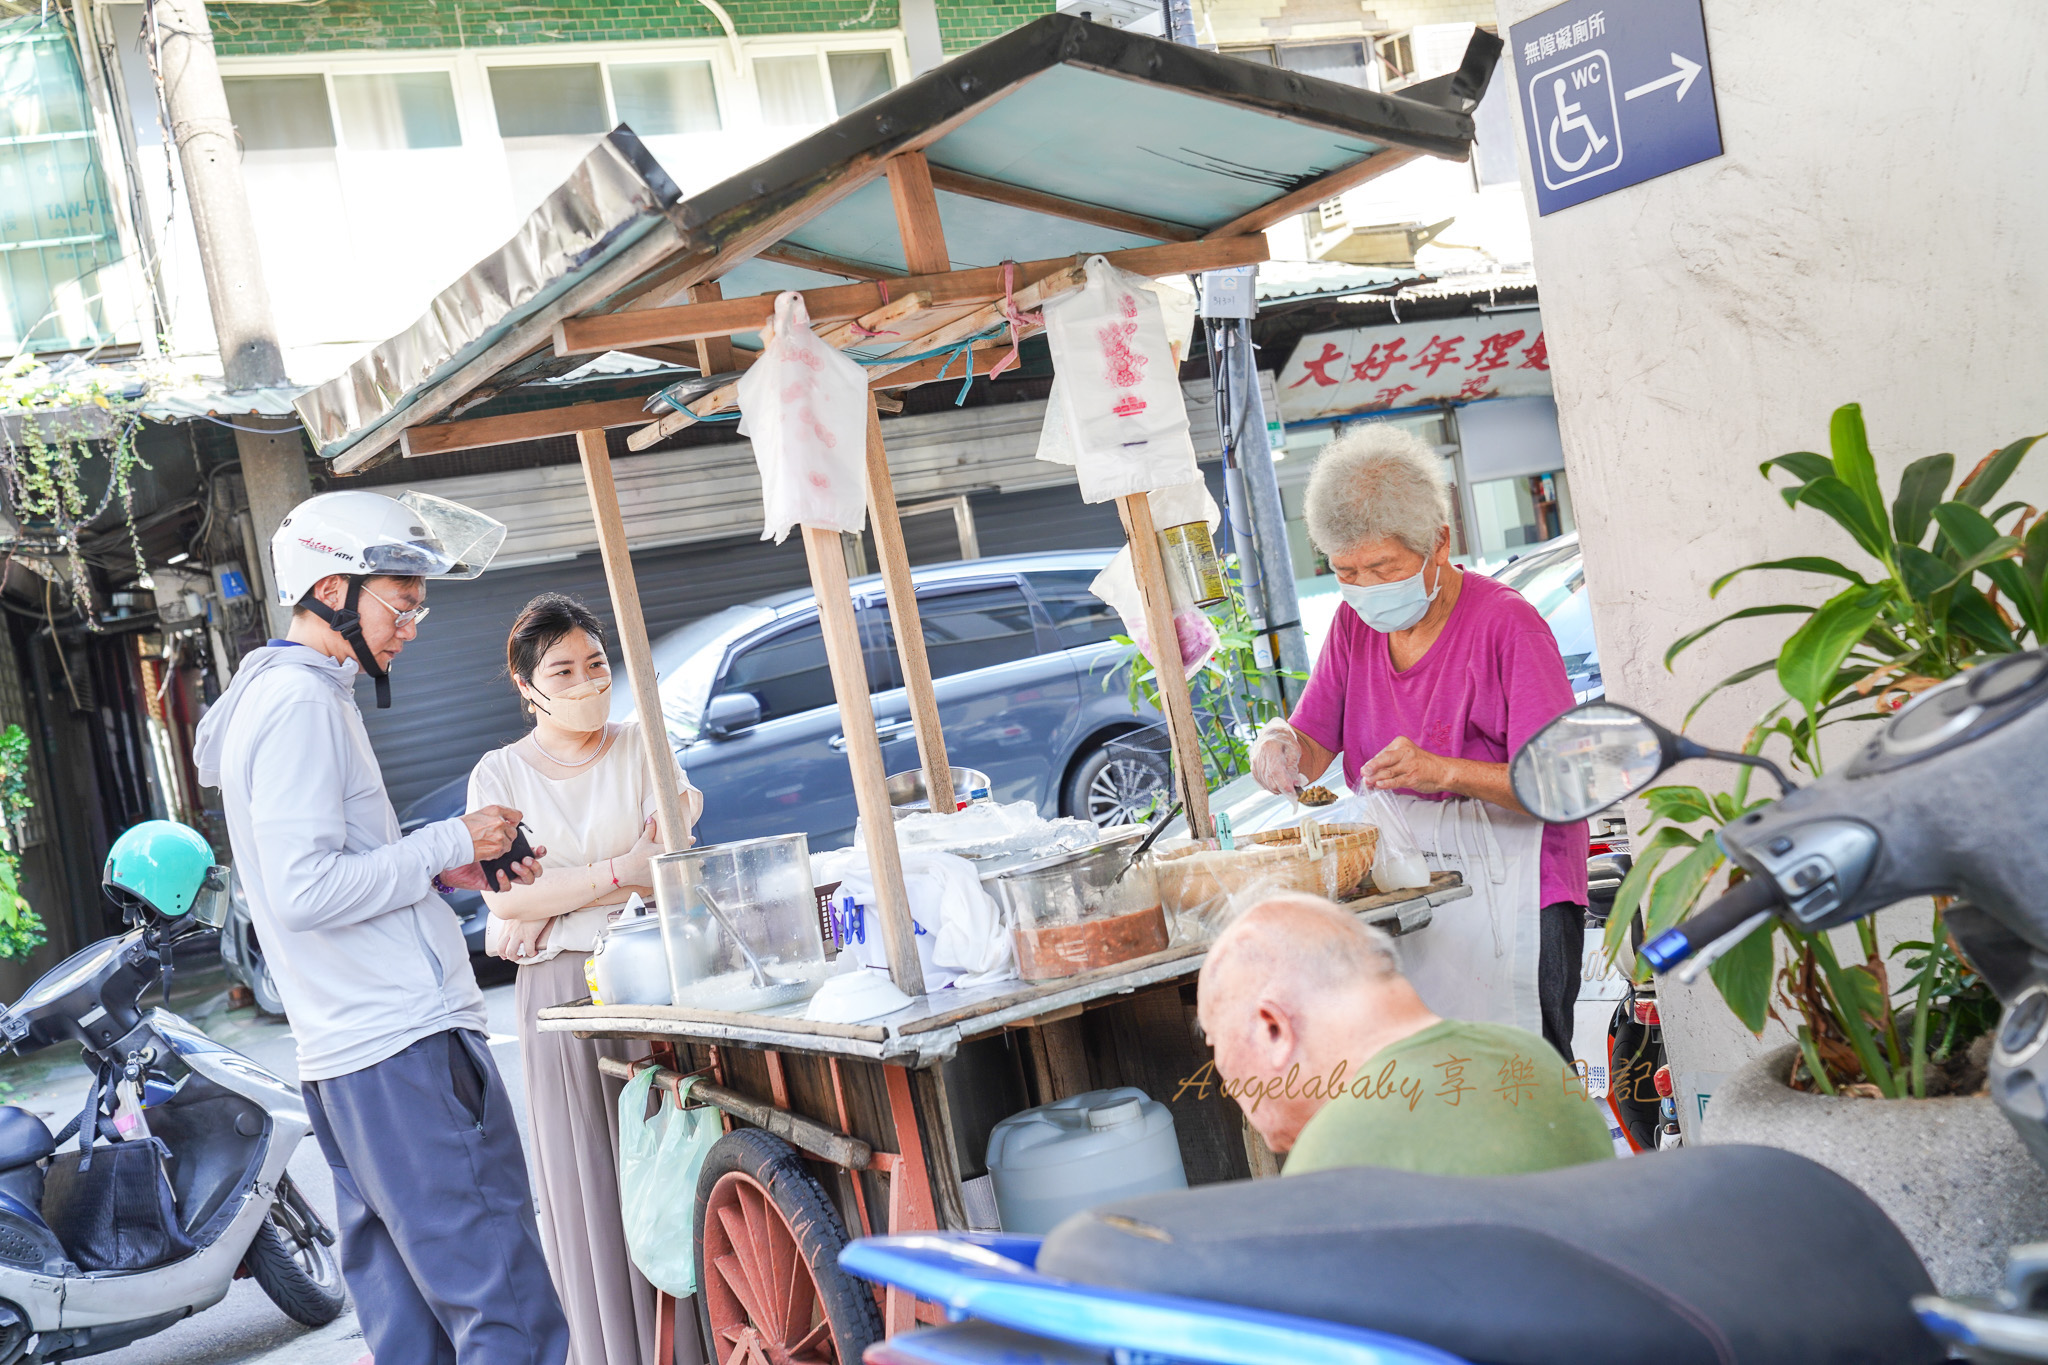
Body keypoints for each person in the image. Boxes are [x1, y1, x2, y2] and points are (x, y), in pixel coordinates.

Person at [192, 490, 570, 1365]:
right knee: (503, 1306)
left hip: (351, 1062)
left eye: (417, 605)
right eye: (399, 602)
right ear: (331, 587)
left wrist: (444, 868)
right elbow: (303, 888)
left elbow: (332, 867)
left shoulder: (277, 695)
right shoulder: (301, 704)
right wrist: (453, 834)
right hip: (402, 1050)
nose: (411, 624)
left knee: (410, 1328)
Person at [1249, 425, 1589, 1060]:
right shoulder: (1353, 623)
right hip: (1410, 888)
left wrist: (1445, 771)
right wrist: (1279, 743)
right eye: (1346, 570)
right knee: (1432, 1081)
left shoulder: (1506, 624)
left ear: (1439, 542)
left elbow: (1563, 783)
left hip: (1518, 889)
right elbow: (1314, 741)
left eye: (1382, 567)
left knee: (1521, 1083)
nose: (1365, 587)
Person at [467, 593, 703, 1365]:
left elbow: (670, 866)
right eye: (562, 669)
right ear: (524, 683)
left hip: (653, 974)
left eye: (595, 663)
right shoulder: (499, 774)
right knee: (591, 1176)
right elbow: (507, 898)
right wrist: (616, 872)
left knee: (672, 1158)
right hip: (562, 991)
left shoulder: (645, 743)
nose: (585, 680)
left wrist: (554, 897)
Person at [1196, 894, 1613, 1176]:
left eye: (1219, 1048)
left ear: (1273, 1028)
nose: (1231, 1088)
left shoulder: (1334, 1159)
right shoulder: (1531, 1057)